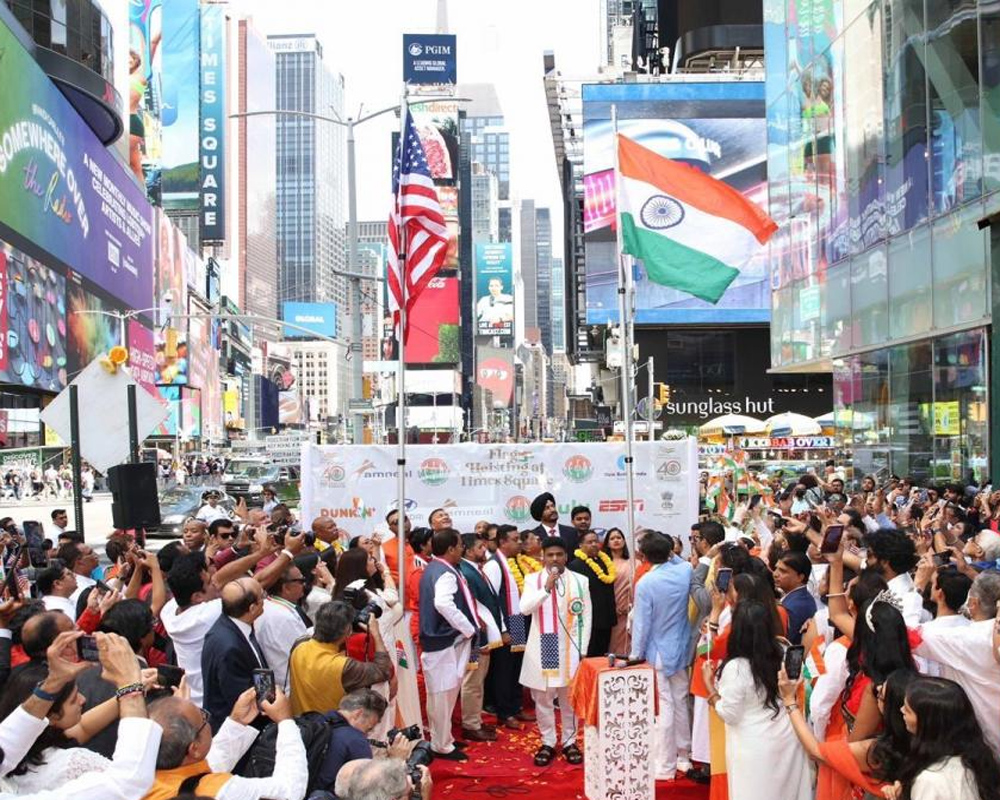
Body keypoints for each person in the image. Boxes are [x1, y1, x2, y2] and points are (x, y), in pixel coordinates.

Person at [0, 630, 162, 800]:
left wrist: (54, 682)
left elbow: (6, 743)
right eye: (71, 700)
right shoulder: (72, 762)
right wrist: (130, 687)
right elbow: (127, 783)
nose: (82, 699)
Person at [703, 601, 811, 800]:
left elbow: (729, 714)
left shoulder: (736, 667)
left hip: (753, 747)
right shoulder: (784, 651)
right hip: (787, 740)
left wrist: (710, 687)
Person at [143, 686, 308, 800]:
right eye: (203, 718)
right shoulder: (219, 791)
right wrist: (285, 721)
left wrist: (237, 722)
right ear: (193, 748)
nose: (206, 720)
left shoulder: (135, 778)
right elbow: (289, 791)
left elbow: (202, 771)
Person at [519, 536, 592, 767]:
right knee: (544, 698)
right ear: (542, 557)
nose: (554, 559)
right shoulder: (533, 580)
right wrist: (545, 589)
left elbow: (586, 615)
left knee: (568, 698)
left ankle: (570, 741)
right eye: (550, 555)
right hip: (545, 645)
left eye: (559, 554)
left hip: (571, 646)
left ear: (566, 557)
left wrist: (583, 648)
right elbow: (524, 609)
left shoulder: (581, 580)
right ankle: (548, 741)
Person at [912, 571, 1000, 752]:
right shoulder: (969, 635)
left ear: (973, 603)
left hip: (989, 746)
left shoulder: (968, 639)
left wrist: (916, 589)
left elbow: (905, 634)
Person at [629, 532, 692, 781]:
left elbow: (641, 625)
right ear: (670, 551)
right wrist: (669, 550)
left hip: (659, 652)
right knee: (680, 701)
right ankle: (684, 757)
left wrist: (635, 655)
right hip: (681, 648)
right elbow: (676, 559)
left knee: (665, 706)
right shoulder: (685, 569)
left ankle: (665, 766)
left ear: (642, 556)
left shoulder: (645, 583)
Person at [417, 528, 479, 761]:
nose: (463, 548)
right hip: (444, 641)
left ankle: (442, 739)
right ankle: (442, 745)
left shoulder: (436, 568)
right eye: (461, 544)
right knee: (442, 695)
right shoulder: (444, 572)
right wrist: (467, 628)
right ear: (451, 548)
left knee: (441, 695)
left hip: (441, 641)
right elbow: (443, 603)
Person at [888, 677, 1000, 800]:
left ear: (929, 723)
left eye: (908, 710)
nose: (901, 710)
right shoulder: (978, 758)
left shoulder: (930, 780)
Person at [287, 600, 393, 716]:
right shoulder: (343, 666)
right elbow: (383, 670)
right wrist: (375, 633)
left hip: (300, 723)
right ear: (347, 631)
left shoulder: (299, 646)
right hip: (328, 729)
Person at [201, 578, 269, 733]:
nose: (265, 599)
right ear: (252, 608)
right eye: (262, 596)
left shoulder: (232, 627)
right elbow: (241, 700)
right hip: (241, 734)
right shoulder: (230, 647)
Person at [482, 524, 532, 730]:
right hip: (506, 625)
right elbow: (492, 600)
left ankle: (516, 705)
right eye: (515, 539)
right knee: (504, 669)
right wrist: (502, 630)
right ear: (502, 542)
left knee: (517, 667)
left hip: (518, 620)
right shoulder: (494, 565)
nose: (520, 542)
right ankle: (504, 712)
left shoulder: (512, 562)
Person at [314, 689, 411, 793]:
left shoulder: (316, 722)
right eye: (369, 728)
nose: (368, 734)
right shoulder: (355, 741)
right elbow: (371, 790)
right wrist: (396, 760)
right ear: (358, 714)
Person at [457, 533, 502, 742]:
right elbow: (472, 608)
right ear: (468, 550)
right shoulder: (466, 571)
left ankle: (475, 720)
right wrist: (481, 637)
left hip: (482, 634)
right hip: (476, 636)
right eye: (480, 547)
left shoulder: (474, 569)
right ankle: (471, 725)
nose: (485, 550)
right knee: (472, 680)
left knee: (478, 680)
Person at [254, 564, 310, 692]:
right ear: (285, 587)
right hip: (289, 686)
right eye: (300, 581)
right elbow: (303, 655)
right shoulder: (283, 616)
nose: (304, 584)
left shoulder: (270, 606)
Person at [567, 530, 617, 657]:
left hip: (606, 617)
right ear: (580, 545)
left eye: (596, 541)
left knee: (603, 653)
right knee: (590, 654)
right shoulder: (574, 566)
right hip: (589, 619)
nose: (594, 544)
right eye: (590, 542)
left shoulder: (605, 561)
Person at [865, 528, 928, 625]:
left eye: (869, 555)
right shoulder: (897, 579)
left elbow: (906, 632)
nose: (866, 560)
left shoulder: (899, 597)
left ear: (885, 562)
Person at [774, 551, 816, 645]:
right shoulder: (802, 598)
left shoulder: (793, 607)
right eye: (776, 568)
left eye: (783, 571)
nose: (775, 574)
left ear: (800, 577)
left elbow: (784, 643)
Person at [602, 527, 633, 655]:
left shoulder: (633, 563)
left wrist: (630, 607)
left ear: (624, 541)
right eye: (612, 538)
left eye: (619, 538)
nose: (616, 541)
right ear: (607, 543)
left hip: (629, 612)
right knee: (612, 644)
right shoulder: (603, 564)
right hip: (611, 613)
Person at [58, 542, 100, 610]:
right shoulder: (80, 588)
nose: (96, 555)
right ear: (79, 562)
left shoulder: (89, 582)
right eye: (90, 553)